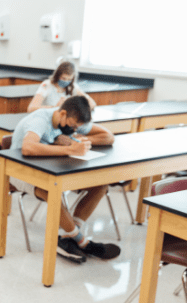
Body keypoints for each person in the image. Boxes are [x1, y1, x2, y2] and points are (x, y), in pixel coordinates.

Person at [11, 95, 120, 263]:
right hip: (20, 172)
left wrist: (81, 140)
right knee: (51, 191)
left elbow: (109, 137)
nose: (74, 128)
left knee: (101, 184)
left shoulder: (73, 120)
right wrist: (70, 150)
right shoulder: (40, 119)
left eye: (78, 127)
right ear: (62, 114)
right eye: (72, 125)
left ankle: (69, 237)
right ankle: (83, 242)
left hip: (52, 170)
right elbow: (28, 148)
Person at [27, 61, 97, 113]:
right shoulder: (47, 85)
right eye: (63, 78)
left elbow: (91, 103)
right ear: (58, 75)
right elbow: (31, 108)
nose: (66, 81)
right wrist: (54, 108)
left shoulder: (72, 87)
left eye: (69, 79)